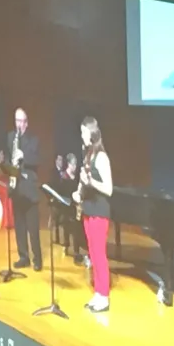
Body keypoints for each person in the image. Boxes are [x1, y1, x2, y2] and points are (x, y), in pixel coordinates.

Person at [73, 116, 113, 313]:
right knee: (93, 253)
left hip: (99, 211)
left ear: (91, 132)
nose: (81, 136)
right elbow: (85, 180)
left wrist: (90, 182)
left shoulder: (102, 157)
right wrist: (78, 191)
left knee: (100, 254)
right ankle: (98, 293)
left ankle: (104, 296)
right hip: (89, 210)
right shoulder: (88, 154)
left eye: (83, 132)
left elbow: (109, 189)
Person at [0, 107, 41, 272]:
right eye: (17, 121)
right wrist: (7, 165)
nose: (19, 125)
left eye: (22, 121)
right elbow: (9, 158)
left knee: (33, 227)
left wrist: (24, 156)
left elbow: (37, 160)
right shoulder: (10, 137)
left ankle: (37, 259)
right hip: (16, 187)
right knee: (20, 225)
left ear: (27, 123)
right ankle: (24, 257)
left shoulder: (34, 140)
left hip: (29, 189)